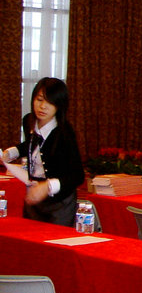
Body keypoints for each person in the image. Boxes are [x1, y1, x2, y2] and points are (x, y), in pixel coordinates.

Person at [1, 78, 85, 227]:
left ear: (59, 106)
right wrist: (11, 153)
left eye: (50, 102)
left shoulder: (64, 133)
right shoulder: (29, 121)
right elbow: (33, 144)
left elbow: (77, 175)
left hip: (59, 203)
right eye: (39, 99)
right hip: (33, 197)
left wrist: (47, 186)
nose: (42, 106)